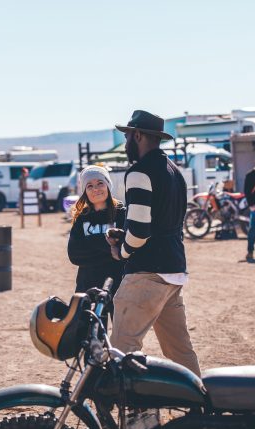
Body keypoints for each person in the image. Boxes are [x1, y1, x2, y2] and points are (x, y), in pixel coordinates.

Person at [107, 110, 201, 377]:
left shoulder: (139, 172)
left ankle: (132, 418)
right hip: (174, 271)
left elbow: (139, 231)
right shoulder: (175, 172)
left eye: (127, 136)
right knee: (180, 352)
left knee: (121, 350)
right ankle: (200, 412)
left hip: (146, 273)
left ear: (137, 135)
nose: (126, 142)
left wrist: (122, 251)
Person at [67, 165, 125, 327]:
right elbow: (74, 255)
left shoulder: (122, 213)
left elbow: (126, 251)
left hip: (118, 284)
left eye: (100, 183)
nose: (96, 189)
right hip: (88, 284)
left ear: (108, 184)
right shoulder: (81, 218)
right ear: (84, 190)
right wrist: (109, 245)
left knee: (124, 338)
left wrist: (90, 243)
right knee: (89, 338)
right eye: (89, 186)